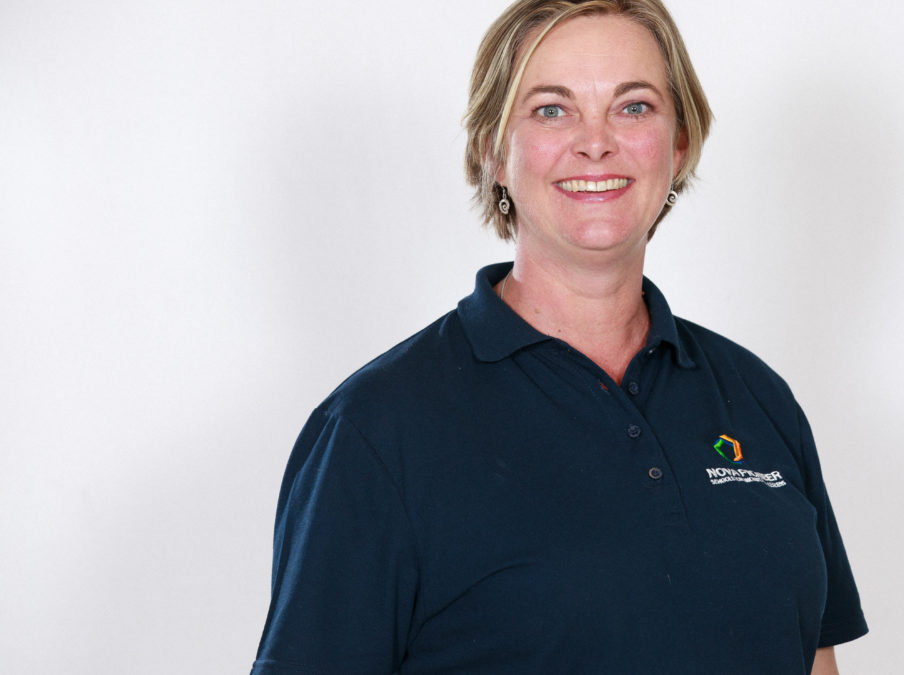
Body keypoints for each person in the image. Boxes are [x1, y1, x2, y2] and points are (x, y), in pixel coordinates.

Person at [251, 1, 867, 673]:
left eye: (634, 107)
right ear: (492, 151)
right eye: (551, 110)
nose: (595, 142)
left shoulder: (757, 398)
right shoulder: (375, 431)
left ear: (679, 145)